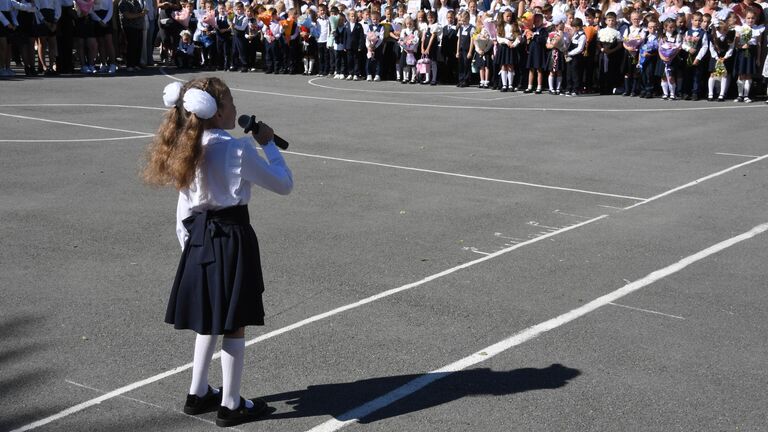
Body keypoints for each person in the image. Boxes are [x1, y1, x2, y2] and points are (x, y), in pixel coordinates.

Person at [143, 77, 292, 428]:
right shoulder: (237, 149)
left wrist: (189, 246)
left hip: (199, 238)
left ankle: (197, 393)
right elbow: (283, 185)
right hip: (232, 238)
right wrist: (269, 145)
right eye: (232, 102)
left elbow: (184, 208)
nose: (237, 109)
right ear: (216, 110)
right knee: (234, 322)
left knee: (210, 316)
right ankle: (230, 403)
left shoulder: (188, 145)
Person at [731, 10, 764, 103]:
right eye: (748, 18)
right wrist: (741, 46)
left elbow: (759, 45)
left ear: (755, 19)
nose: (750, 20)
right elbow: (736, 43)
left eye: (752, 18)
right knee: (741, 74)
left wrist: (758, 58)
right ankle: (740, 95)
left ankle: (746, 95)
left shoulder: (758, 29)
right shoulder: (740, 28)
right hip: (742, 53)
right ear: (745, 18)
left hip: (752, 53)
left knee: (749, 74)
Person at [680, 11, 708, 100]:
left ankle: (695, 92)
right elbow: (683, 44)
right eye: (695, 20)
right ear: (692, 20)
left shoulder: (703, 33)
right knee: (687, 75)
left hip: (697, 57)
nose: (698, 22)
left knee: (697, 76)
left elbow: (705, 46)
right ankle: (686, 92)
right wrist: (689, 49)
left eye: (700, 20)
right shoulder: (688, 32)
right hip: (688, 56)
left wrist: (698, 58)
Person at [707, 14, 733, 101]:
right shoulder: (713, 37)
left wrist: (725, 57)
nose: (725, 31)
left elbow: (731, 48)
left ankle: (721, 94)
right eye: (724, 30)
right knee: (713, 75)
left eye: (726, 30)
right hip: (715, 58)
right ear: (718, 29)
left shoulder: (729, 37)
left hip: (724, 58)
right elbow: (711, 48)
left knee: (724, 75)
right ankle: (710, 94)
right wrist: (716, 57)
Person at [119, 0, 147, 72]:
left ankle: (136, 64)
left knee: (138, 46)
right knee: (131, 46)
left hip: (139, 27)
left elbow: (141, 13)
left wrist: (143, 13)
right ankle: (130, 65)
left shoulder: (136, 2)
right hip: (129, 27)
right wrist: (141, 14)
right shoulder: (123, 2)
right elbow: (127, 15)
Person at [494, 10, 518, 92]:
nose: (509, 18)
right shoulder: (500, 26)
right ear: (503, 16)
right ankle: (504, 85)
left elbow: (519, 37)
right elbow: (498, 38)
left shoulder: (514, 25)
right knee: (503, 65)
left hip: (511, 47)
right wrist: (506, 41)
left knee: (510, 66)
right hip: (503, 46)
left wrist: (514, 44)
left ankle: (510, 84)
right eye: (507, 16)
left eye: (510, 16)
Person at [565, 17, 586, 96]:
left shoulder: (582, 36)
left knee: (575, 73)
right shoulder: (575, 34)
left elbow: (580, 48)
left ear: (577, 27)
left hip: (576, 57)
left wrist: (570, 53)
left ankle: (575, 89)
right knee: (569, 73)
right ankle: (569, 88)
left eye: (573, 27)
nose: (572, 28)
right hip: (570, 56)